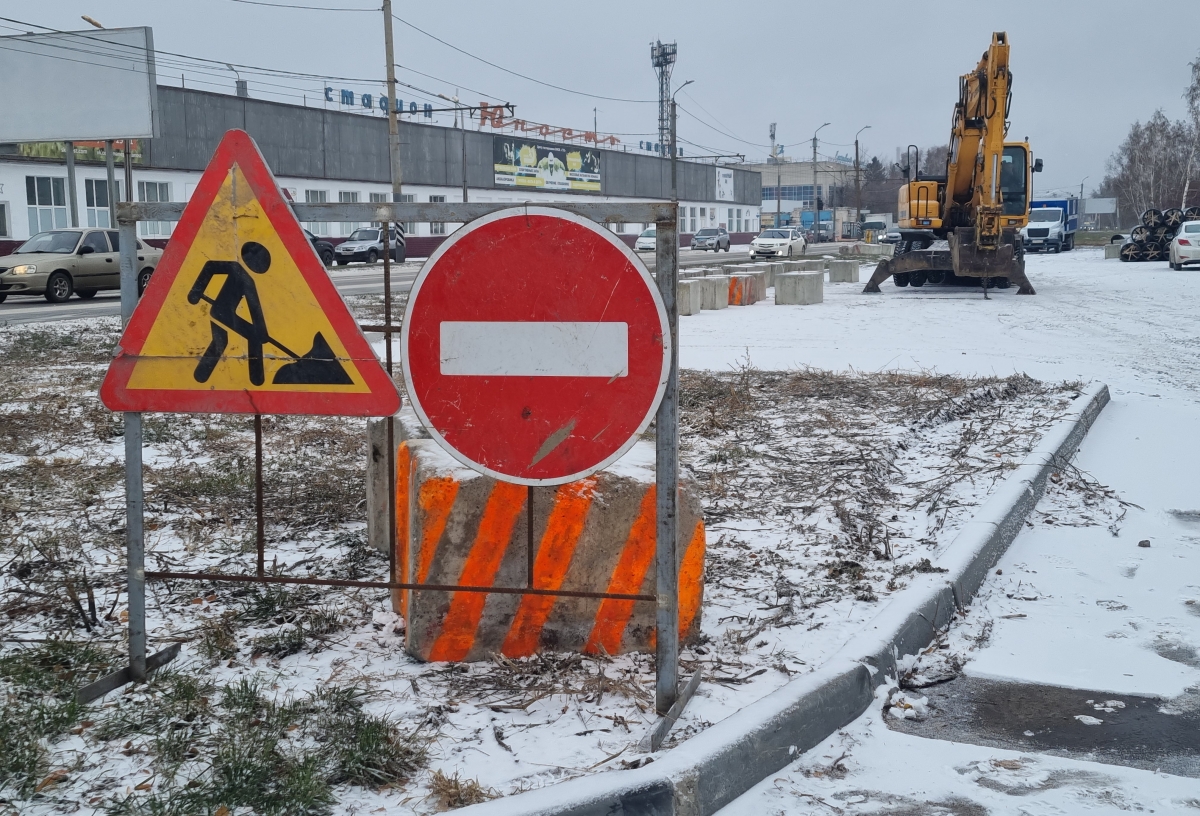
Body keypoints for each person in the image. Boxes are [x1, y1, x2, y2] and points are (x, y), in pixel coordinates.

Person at [188, 241, 272, 385]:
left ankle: (200, 376)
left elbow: (254, 309)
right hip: (223, 313)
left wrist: (262, 331)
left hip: (221, 313)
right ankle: (256, 379)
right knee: (254, 338)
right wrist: (195, 291)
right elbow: (210, 267)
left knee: (220, 341)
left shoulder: (248, 281)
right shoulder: (235, 268)